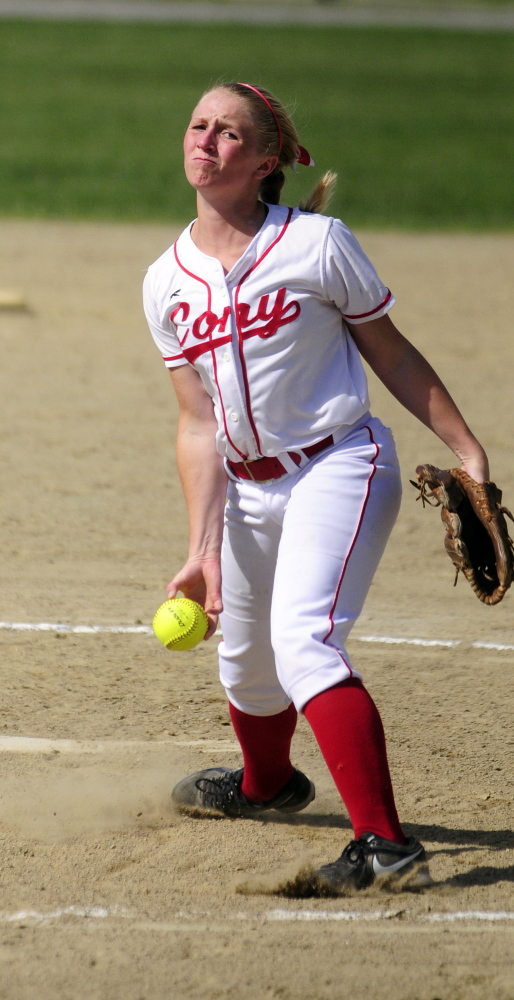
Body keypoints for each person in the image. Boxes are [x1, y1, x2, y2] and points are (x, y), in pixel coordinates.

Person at [143, 82, 489, 893]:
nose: (207, 140)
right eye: (198, 125)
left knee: (304, 642)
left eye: (230, 132)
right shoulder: (167, 281)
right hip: (246, 492)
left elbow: (392, 354)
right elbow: (197, 424)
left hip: (339, 465)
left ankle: (383, 843)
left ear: (266, 159)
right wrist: (202, 552)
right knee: (246, 668)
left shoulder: (317, 244)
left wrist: (466, 448)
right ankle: (266, 785)